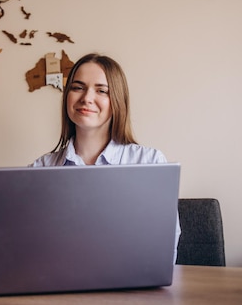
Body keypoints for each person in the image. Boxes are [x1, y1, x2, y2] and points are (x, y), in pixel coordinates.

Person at [31, 53, 180, 260]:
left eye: (101, 90)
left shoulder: (150, 163)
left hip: (132, 286)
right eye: (77, 87)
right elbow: (30, 244)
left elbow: (165, 247)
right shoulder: (40, 169)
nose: (87, 98)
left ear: (117, 101)